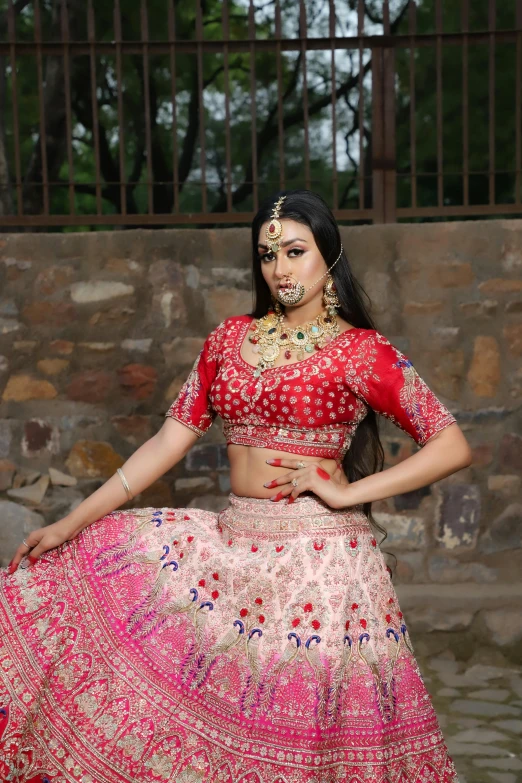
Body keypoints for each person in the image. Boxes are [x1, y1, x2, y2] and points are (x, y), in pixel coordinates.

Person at [0, 190, 470, 783]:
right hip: (232, 542)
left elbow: (451, 444)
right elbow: (168, 443)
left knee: (293, 737)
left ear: (329, 254)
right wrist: (70, 522)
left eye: (296, 251)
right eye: (268, 255)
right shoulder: (228, 340)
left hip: (316, 567)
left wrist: (351, 493)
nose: (281, 268)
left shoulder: (359, 352)